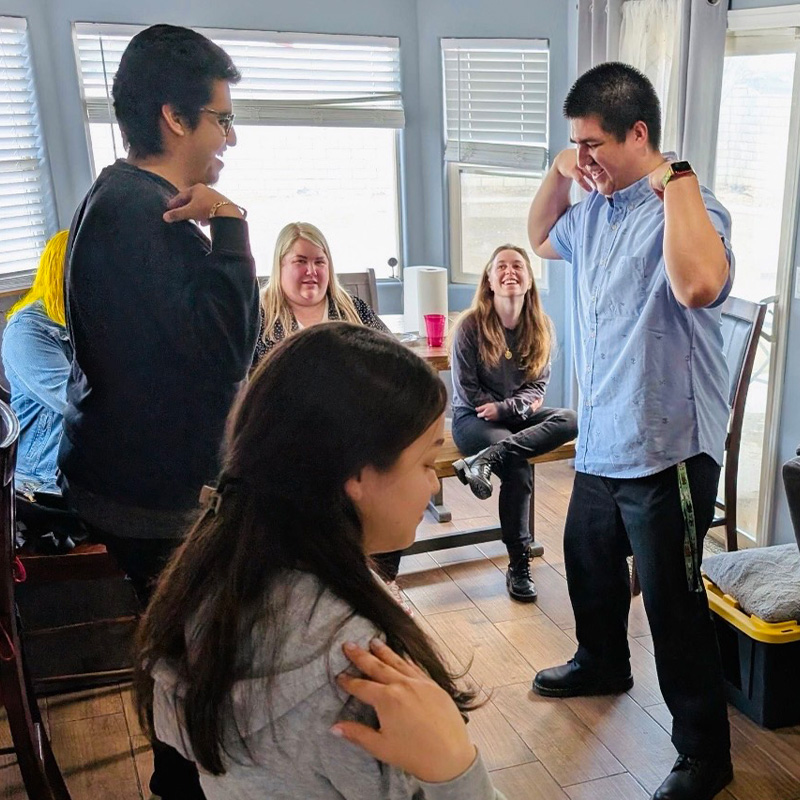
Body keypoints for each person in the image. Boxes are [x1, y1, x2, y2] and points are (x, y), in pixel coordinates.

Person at [135, 322, 501, 800]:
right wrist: (457, 770)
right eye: (428, 464)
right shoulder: (360, 678)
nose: (435, 485)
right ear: (357, 476)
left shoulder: (211, 582)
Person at [527, 62, 735, 800]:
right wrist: (563, 167)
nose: (583, 158)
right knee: (586, 558)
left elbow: (699, 285)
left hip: (667, 445)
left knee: (675, 605)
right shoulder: (597, 208)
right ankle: (601, 662)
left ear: (638, 134)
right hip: (605, 433)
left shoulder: (691, 204)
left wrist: (676, 177)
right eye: (575, 144)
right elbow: (540, 233)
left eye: (592, 144)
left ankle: (704, 754)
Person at [61, 24, 258, 799]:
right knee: (196, 666)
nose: (228, 138)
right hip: (151, 503)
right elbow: (226, 351)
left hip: (126, 483)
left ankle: (185, 777)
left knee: (185, 659)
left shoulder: (123, 199)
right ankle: (183, 785)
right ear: (175, 118)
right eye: (221, 119)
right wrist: (235, 226)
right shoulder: (146, 217)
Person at [449, 243, 578, 602]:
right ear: (489, 280)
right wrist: (503, 410)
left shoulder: (540, 326)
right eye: (501, 266)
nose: (510, 272)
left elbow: (538, 386)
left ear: (529, 280)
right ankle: (519, 563)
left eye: (518, 266)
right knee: (518, 467)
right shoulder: (469, 326)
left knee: (570, 419)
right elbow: (468, 390)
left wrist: (507, 409)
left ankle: (487, 459)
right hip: (472, 419)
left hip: (512, 417)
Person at [253, 221, 391, 367]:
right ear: (280, 265)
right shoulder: (257, 316)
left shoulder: (355, 309)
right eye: (300, 261)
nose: (311, 271)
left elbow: (392, 358)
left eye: (319, 262)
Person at [3, 231, 71, 497]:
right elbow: (78, 404)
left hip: (91, 461)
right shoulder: (28, 331)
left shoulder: (94, 319)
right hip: (45, 477)